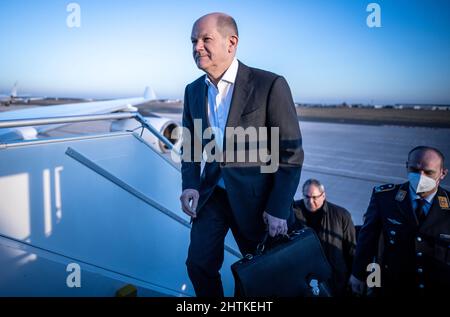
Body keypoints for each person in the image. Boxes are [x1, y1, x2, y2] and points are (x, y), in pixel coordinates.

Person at [179, 12, 304, 297]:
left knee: (262, 273)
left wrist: (277, 207)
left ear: (231, 42)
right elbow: (191, 145)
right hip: (213, 197)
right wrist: (190, 184)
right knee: (198, 264)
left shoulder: (269, 84)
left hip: (258, 201)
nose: (197, 47)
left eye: (205, 39)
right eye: (193, 41)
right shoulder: (192, 91)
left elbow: (291, 153)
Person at [350, 146, 450, 296]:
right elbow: (369, 241)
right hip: (394, 286)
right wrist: (360, 275)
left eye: (429, 172)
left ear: (443, 174)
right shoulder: (384, 197)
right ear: (406, 166)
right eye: (414, 170)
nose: (421, 176)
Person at [293, 179, 356, 296]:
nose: (310, 202)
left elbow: (351, 249)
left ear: (323, 195)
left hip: (335, 279)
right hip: (304, 279)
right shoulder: (292, 212)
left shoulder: (341, 215)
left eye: (315, 197)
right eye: (307, 197)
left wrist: (355, 275)